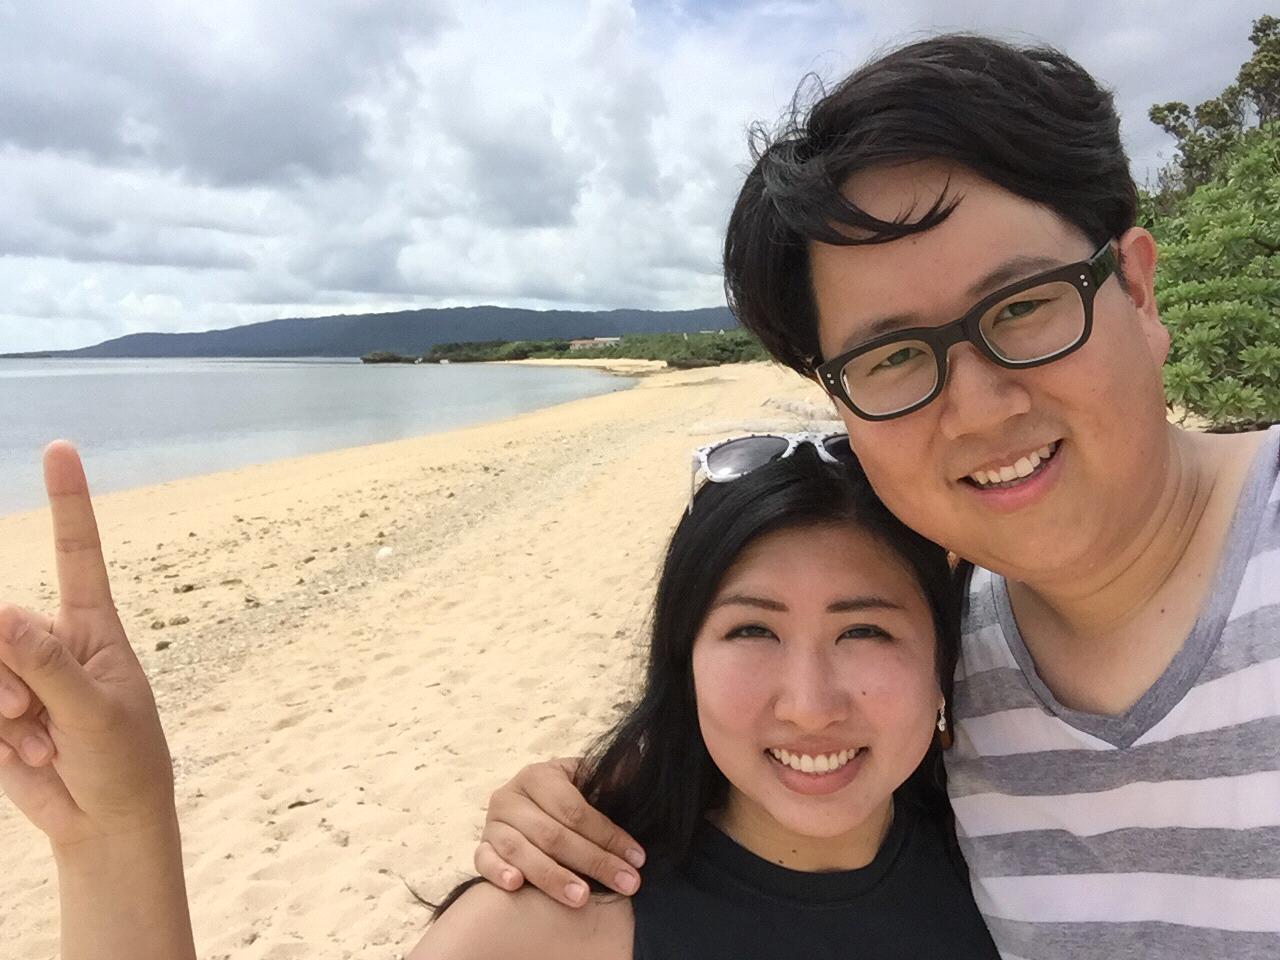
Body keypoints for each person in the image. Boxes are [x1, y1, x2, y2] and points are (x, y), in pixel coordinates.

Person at [468, 34, 1280, 958]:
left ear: (1136, 290)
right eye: (894, 357)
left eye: (1022, 307)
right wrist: (569, 807)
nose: (976, 408)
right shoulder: (937, 660)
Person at [416, 439, 998, 958]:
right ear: (683, 660)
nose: (809, 706)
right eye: (752, 631)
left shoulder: (1008, 864)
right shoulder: (541, 928)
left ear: (943, 657)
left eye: (864, 632)